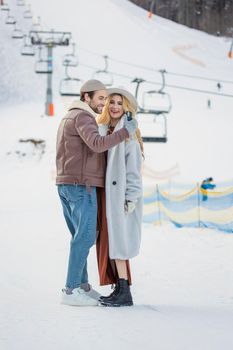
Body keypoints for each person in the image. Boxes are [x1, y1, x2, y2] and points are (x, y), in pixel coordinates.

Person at [56, 80, 138, 306]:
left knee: (80, 237)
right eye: (102, 99)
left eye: (111, 100)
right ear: (86, 97)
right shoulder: (83, 117)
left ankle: (82, 286)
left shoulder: (70, 117)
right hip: (81, 186)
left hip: (69, 184)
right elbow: (97, 143)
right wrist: (124, 133)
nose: (105, 104)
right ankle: (71, 289)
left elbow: (131, 168)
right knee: (85, 237)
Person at [96, 88, 144, 307]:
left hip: (119, 198)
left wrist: (130, 199)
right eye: (111, 102)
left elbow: (134, 173)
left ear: (126, 108)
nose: (115, 106)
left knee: (119, 243)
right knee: (112, 242)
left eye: (119, 103)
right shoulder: (104, 131)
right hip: (106, 195)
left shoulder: (129, 138)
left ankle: (124, 291)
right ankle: (120, 288)